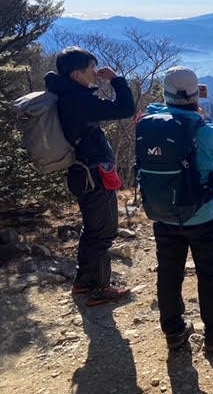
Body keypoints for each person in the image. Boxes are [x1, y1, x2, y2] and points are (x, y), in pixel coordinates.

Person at [140, 67, 213, 353]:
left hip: (162, 212)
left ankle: (174, 333)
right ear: (196, 95)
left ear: (164, 93)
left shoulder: (148, 122)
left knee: (168, 273)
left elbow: (161, 109)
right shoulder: (204, 130)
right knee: (209, 274)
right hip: (203, 215)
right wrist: (199, 116)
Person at [44, 46, 136, 306]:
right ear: (76, 75)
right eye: (90, 70)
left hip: (82, 173)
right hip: (92, 174)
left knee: (93, 229)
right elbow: (125, 108)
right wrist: (117, 80)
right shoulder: (79, 100)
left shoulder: (67, 95)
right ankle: (98, 289)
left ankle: (84, 282)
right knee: (103, 231)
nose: (95, 74)